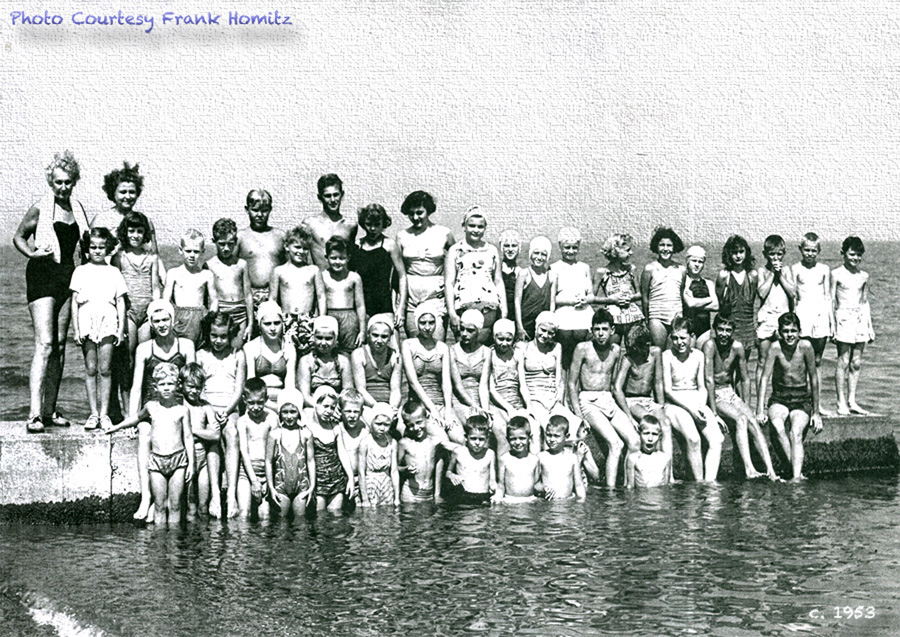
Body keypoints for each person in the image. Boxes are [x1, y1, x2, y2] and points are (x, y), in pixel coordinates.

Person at [14, 150, 92, 432]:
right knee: (44, 344)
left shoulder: (78, 209)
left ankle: (49, 411)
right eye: (58, 182)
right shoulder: (39, 207)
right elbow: (18, 236)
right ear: (50, 181)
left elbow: (88, 243)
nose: (63, 187)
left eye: (68, 182)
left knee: (59, 346)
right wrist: (32, 254)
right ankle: (34, 414)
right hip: (42, 275)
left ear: (74, 182)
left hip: (67, 277)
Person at [130, 300, 196, 521]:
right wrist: (133, 418)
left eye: (165, 319)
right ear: (150, 323)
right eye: (156, 321)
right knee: (144, 433)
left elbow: (192, 382)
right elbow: (137, 386)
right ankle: (146, 497)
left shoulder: (185, 346)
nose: (161, 325)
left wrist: (192, 414)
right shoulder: (144, 349)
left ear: (173, 319)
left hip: (178, 407)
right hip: (153, 407)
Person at [106, 363, 194, 525]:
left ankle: (174, 548)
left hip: (179, 461)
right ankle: (160, 546)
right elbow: (136, 418)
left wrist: (191, 464)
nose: (166, 388)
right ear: (155, 386)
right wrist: (116, 427)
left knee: (174, 506)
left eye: (170, 384)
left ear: (177, 385)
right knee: (160, 506)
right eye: (162, 384)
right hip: (156, 462)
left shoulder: (182, 410)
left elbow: (188, 437)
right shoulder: (151, 407)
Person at [613, 322, 701, 481]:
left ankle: (669, 474)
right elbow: (617, 388)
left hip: (649, 400)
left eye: (638, 348)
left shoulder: (655, 353)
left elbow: (658, 382)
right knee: (648, 420)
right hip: (632, 400)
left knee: (665, 424)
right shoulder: (628, 358)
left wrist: (661, 406)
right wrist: (627, 415)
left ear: (647, 344)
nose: (635, 352)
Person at [568, 309, 638, 487]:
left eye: (604, 329)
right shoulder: (582, 348)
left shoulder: (616, 351)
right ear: (591, 330)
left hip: (608, 400)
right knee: (616, 444)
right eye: (597, 329)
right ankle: (611, 492)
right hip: (588, 400)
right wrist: (578, 414)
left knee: (635, 441)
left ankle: (630, 488)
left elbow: (615, 384)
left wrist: (628, 415)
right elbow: (571, 384)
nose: (600, 334)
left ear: (612, 330)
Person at [703, 314, 777, 480]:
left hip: (729, 391)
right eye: (720, 329)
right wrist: (714, 413)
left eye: (728, 330)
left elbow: (745, 378)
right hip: (713, 393)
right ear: (715, 330)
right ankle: (749, 469)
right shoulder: (710, 345)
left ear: (733, 332)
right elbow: (708, 380)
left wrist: (746, 404)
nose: (724, 334)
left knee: (753, 422)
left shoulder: (737, 347)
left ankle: (771, 471)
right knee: (741, 420)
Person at [71, 227, 128, 430]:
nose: (96, 251)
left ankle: (104, 415)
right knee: (91, 369)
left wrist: (120, 329)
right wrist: (76, 329)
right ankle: (93, 413)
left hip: (108, 321)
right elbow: (74, 302)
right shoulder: (80, 271)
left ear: (108, 249)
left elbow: (120, 301)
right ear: (87, 248)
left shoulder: (113, 272)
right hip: (87, 321)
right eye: (93, 247)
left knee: (105, 369)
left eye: (101, 247)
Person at [757, 312, 823, 481]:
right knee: (778, 426)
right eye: (785, 331)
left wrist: (816, 412)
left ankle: (795, 478)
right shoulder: (775, 348)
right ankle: (797, 472)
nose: (790, 335)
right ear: (779, 332)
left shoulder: (806, 346)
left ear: (799, 332)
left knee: (795, 432)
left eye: (793, 331)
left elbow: (814, 378)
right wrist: (760, 409)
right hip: (780, 397)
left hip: (801, 398)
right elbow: (764, 378)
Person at [662, 316, 726, 482]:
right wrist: (691, 410)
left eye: (683, 338)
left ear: (692, 337)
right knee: (693, 438)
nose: (679, 342)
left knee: (717, 439)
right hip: (675, 404)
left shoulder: (698, 355)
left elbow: (702, 386)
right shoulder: (667, 356)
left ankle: (709, 483)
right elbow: (668, 391)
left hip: (696, 401)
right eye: (675, 338)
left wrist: (700, 406)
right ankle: (699, 482)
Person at [196, 311, 247, 518]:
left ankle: (232, 495)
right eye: (214, 335)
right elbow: (198, 388)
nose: (218, 341)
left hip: (230, 407)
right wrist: (210, 409)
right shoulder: (201, 355)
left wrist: (226, 411)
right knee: (213, 437)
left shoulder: (238, 355)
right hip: (207, 406)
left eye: (223, 336)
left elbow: (239, 389)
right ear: (208, 334)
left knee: (232, 433)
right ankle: (216, 495)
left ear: (230, 335)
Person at [112, 212, 161, 412]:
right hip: (128, 313)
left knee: (146, 358)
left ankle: (143, 406)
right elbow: (115, 286)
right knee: (127, 360)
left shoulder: (152, 258)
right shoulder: (120, 257)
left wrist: (156, 311)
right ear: (125, 232)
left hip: (146, 313)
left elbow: (155, 286)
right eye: (131, 230)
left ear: (145, 234)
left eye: (139, 231)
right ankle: (125, 409)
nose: (135, 235)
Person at [92, 161, 165, 285]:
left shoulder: (144, 220)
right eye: (122, 192)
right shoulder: (101, 219)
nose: (127, 196)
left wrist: (165, 281)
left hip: (137, 277)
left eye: (132, 192)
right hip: (108, 275)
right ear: (113, 193)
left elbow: (154, 255)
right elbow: (90, 253)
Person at [397, 191, 455, 340]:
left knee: (437, 345)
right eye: (411, 213)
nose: (415, 217)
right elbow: (398, 273)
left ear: (428, 210)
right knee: (414, 347)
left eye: (419, 212)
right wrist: (399, 305)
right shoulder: (402, 236)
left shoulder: (444, 233)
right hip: (412, 299)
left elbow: (457, 264)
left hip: (437, 297)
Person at [400, 302, 463, 442]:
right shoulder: (409, 345)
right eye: (423, 323)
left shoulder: (442, 347)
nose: (427, 327)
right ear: (416, 323)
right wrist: (433, 410)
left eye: (431, 322)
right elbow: (413, 382)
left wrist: (447, 411)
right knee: (442, 439)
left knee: (460, 439)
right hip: (420, 405)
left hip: (440, 403)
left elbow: (446, 383)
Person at [445, 206, 506, 342]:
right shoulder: (455, 250)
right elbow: (449, 282)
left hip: (488, 306)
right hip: (463, 304)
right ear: (464, 226)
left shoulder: (492, 250)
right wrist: (452, 313)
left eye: (480, 227)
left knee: (485, 349)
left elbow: (498, 281)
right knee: (463, 348)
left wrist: (504, 309)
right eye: (471, 226)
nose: (476, 230)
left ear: (485, 228)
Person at [831, 236, 874, 416]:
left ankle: (852, 401)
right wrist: (832, 325)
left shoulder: (863, 276)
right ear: (844, 253)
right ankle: (840, 401)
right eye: (852, 254)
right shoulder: (836, 274)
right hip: (843, 318)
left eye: (858, 255)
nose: (855, 258)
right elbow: (831, 300)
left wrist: (870, 327)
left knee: (856, 362)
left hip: (860, 319)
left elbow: (865, 302)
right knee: (843, 360)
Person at [790, 232, 833, 409]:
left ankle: (817, 403)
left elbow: (828, 297)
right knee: (800, 359)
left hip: (820, 316)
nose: (810, 253)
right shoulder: (795, 269)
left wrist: (831, 323)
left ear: (819, 251)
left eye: (813, 250)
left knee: (817, 361)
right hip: (802, 316)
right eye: (806, 250)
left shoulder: (824, 269)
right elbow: (792, 297)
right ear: (801, 249)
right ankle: (801, 401)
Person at [518, 312, 578, 438]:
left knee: (573, 424)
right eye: (543, 330)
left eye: (550, 333)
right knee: (551, 428)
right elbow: (522, 383)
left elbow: (559, 380)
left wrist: (559, 402)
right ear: (536, 327)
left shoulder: (556, 347)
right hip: (534, 398)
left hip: (552, 397)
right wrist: (528, 405)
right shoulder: (523, 347)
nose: (545, 335)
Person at [350, 203, 407, 330]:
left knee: (391, 342)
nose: (372, 229)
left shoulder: (389, 245)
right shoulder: (357, 245)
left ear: (384, 224)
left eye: (377, 225)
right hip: (362, 303)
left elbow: (402, 276)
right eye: (369, 224)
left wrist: (401, 308)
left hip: (384, 303)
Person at [265, 389, 315, 521]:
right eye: (285, 412)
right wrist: (271, 488)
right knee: (280, 527)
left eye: (293, 412)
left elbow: (310, 461)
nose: (289, 416)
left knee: (301, 525)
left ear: (299, 412)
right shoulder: (274, 434)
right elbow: (268, 462)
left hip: (302, 486)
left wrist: (312, 487)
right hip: (280, 486)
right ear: (279, 413)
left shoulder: (306, 434)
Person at [236, 189, 285, 320]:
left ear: (270, 210)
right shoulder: (240, 237)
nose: (259, 215)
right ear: (247, 209)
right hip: (249, 296)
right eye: (255, 210)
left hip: (275, 296)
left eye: (264, 210)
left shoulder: (280, 236)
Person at [486, 319, 533, 456]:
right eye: (500, 339)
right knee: (502, 429)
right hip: (496, 404)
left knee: (533, 427)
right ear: (494, 337)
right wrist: (509, 408)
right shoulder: (490, 354)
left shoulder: (517, 355)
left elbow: (522, 385)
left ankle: (534, 470)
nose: (504, 343)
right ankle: (503, 472)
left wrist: (528, 406)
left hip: (515, 401)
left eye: (508, 339)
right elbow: (491, 389)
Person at [305, 386, 355, 512]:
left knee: (335, 516)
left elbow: (342, 453)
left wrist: (350, 478)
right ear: (315, 404)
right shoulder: (308, 427)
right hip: (317, 481)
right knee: (320, 517)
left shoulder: (335, 427)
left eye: (332, 407)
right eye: (325, 406)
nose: (329, 411)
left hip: (336, 480)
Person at [181, 363, 221, 518]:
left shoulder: (205, 406)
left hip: (203, 459)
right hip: (185, 459)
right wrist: (203, 433)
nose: (194, 391)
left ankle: (206, 542)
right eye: (190, 386)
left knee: (203, 507)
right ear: (182, 384)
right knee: (190, 508)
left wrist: (192, 432)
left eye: (198, 387)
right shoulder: (179, 405)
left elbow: (216, 435)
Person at [551, 227, 596, 366]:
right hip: (564, 314)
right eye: (567, 247)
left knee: (585, 357)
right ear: (560, 246)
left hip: (584, 315)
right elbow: (552, 298)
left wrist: (585, 300)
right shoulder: (554, 268)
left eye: (574, 247)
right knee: (564, 358)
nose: (571, 251)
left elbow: (592, 295)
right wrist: (571, 301)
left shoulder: (584, 267)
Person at [163, 228, 217, 344]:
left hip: (200, 318)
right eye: (188, 251)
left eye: (196, 251)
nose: (192, 255)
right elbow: (165, 300)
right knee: (179, 348)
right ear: (180, 250)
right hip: (179, 318)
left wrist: (210, 317)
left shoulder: (206, 275)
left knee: (199, 350)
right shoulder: (173, 273)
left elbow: (214, 300)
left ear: (203, 251)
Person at [756, 235, 796, 388]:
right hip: (766, 320)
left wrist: (781, 275)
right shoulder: (762, 271)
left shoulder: (786, 270)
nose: (776, 257)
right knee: (762, 361)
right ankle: (761, 402)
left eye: (779, 254)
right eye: (772, 254)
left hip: (782, 320)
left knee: (782, 360)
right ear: (765, 254)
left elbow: (792, 292)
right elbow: (761, 293)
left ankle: (778, 397)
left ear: (784, 254)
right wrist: (773, 273)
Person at [206, 218, 254, 347]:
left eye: (230, 243)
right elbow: (206, 297)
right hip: (220, 314)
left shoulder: (241, 264)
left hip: (240, 314)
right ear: (214, 242)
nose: (226, 248)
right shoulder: (209, 265)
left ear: (236, 242)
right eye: (222, 244)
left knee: (237, 351)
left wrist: (250, 324)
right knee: (220, 350)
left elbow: (248, 294)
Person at [243, 301, 296, 412]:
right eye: (267, 324)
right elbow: (251, 387)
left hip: (282, 402)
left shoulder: (289, 349)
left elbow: (290, 386)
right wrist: (275, 408)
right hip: (258, 403)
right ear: (259, 325)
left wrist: (284, 407)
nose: (273, 328)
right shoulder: (250, 347)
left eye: (277, 323)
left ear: (283, 323)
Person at [237, 377, 277, 519]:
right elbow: (244, 452)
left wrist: (268, 480)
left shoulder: (272, 419)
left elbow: (273, 453)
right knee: (243, 514)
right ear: (244, 400)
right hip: (246, 473)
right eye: (251, 403)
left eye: (260, 402)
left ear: (266, 399)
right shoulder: (242, 421)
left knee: (265, 515)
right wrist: (254, 481)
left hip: (267, 472)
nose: (255, 407)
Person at [640, 226, 686, 349]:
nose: (665, 249)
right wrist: (646, 320)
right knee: (658, 351)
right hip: (656, 316)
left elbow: (681, 294)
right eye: (662, 245)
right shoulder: (649, 269)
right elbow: (645, 297)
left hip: (676, 315)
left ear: (674, 247)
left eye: (669, 245)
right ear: (656, 246)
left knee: (673, 353)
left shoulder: (681, 269)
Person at [716, 235, 758, 367]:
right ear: (729, 254)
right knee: (727, 368)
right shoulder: (724, 275)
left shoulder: (752, 275)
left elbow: (751, 302)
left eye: (741, 252)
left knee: (743, 369)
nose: (738, 256)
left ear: (746, 252)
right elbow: (719, 304)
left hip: (747, 328)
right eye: (734, 252)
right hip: (729, 330)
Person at [397, 400, 451, 504]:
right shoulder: (404, 443)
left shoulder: (435, 441)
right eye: (410, 425)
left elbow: (439, 467)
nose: (416, 428)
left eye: (419, 422)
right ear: (405, 424)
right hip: (410, 494)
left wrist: (437, 494)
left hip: (429, 494)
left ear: (427, 418)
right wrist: (406, 469)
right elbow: (395, 468)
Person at [594, 233, 643, 344]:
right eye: (627, 250)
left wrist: (630, 298)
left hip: (633, 316)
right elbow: (592, 298)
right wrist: (612, 300)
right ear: (616, 251)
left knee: (634, 347)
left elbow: (640, 294)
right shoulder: (602, 272)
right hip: (613, 317)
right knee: (612, 349)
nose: (631, 253)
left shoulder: (631, 270)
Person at [301, 174, 357, 269]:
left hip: (342, 281)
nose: (332, 200)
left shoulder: (350, 225)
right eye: (327, 196)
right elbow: (303, 258)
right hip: (320, 280)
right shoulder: (310, 224)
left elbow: (351, 258)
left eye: (336, 195)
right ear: (320, 197)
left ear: (342, 194)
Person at [298, 316, 353, 408]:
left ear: (335, 339)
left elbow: (348, 394)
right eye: (319, 338)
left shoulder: (343, 362)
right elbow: (305, 397)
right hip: (313, 407)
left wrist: (335, 409)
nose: (323, 343)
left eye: (328, 338)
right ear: (313, 338)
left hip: (337, 408)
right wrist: (322, 409)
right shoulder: (306, 361)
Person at [322, 237, 366, 353]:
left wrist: (362, 330)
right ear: (326, 258)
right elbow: (319, 301)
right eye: (333, 258)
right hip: (329, 315)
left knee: (350, 350)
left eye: (342, 258)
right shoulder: (323, 276)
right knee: (328, 350)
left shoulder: (354, 277)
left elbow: (360, 305)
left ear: (348, 258)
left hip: (349, 317)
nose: (337, 262)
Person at [351, 315, 402, 409]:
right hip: (367, 405)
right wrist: (377, 407)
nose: (379, 340)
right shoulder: (359, 354)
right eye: (375, 335)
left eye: (384, 336)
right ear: (368, 334)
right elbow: (361, 389)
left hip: (389, 405)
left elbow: (396, 390)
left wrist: (392, 407)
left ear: (390, 337)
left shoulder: (395, 357)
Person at [449, 309, 490, 426]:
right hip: (459, 401)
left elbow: (483, 386)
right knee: (473, 424)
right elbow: (458, 387)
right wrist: (475, 407)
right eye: (462, 329)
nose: (464, 334)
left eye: (470, 330)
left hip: (479, 399)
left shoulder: (486, 352)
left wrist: (485, 409)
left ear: (479, 331)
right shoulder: (452, 351)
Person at [445, 414, 496, 505]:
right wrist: (452, 475)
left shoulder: (490, 454)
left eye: (481, 439)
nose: (477, 443)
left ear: (487, 438)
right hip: (463, 496)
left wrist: (493, 484)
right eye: (473, 439)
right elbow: (448, 472)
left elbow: (492, 478)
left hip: (483, 496)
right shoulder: (458, 452)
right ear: (466, 438)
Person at [358, 403, 400, 507]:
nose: (382, 428)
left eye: (386, 425)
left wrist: (397, 498)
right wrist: (364, 499)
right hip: (370, 485)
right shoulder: (365, 443)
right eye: (378, 424)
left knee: (388, 519)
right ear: (371, 422)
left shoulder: (392, 443)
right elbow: (361, 472)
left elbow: (394, 471)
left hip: (386, 485)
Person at [514, 236, 555, 342]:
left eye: (543, 254)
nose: (539, 257)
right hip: (526, 324)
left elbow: (552, 304)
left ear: (548, 256)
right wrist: (520, 327)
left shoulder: (552, 276)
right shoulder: (524, 273)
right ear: (530, 254)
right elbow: (517, 301)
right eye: (536, 253)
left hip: (543, 327)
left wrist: (550, 325)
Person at [536, 415, 586, 500]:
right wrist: (543, 488)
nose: (551, 439)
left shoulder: (572, 458)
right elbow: (534, 484)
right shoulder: (541, 457)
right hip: (547, 504)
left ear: (566, 436)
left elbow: (579, 485)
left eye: (556, 436)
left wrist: (581, 502)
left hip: (567, 503)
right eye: (549, 435)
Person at [493, 416, 540, 503]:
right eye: (513, 439)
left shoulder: (534, 460)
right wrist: (497, 496)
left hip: (530, 500)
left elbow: (536, 484)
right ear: (507, 439)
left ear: (529, 438)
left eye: (522, 438)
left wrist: (546, 489)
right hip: (510, 501)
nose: (518, 442)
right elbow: (501, 485)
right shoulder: (504, 459)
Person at [682, 245, 718, 346]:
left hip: (704, 327)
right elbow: (690, 303)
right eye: (694, 261)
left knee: (702, 358)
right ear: (687, 261)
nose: (697, 265)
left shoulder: (709, 283)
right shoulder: (683, 281)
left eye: (700, 262)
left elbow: (716, 306)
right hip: (687, 327)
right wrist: (709, 299)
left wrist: (695, 302)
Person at [338, 388, 369, 505]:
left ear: (361, 411)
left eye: (356, 412)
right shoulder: (338, 429)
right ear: (340, 411)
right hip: (341, 481)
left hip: (360, 480)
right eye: (348, 411)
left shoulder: (365, 431)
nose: (352, 416)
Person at [623, 415, 672, 488]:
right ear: (639, 434)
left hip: (660, 498)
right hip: (640, 498)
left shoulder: (665, 458)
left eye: (654, 434)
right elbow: (630, 488)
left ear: (660, 436)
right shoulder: (633, 459)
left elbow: (666, 487)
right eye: (646, 433)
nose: (650, 438)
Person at [498, 229, 521, 326]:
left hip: (514, 316)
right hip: (497, 314)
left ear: (519, 248)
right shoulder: (496, 270)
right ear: (501, 248)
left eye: (514, 246)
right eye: (506, 246)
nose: (510, 249)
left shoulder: (521, 272)